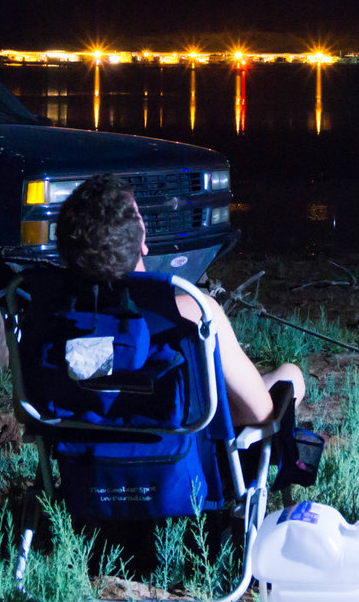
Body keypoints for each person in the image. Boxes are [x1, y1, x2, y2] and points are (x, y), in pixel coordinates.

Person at [53, 174, 306, 429]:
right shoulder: (195, 311)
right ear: (142, 243)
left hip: (87, 447)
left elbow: (31, 410)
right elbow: (259, 413)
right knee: (291, 376)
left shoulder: (57, 320)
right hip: (175, 444)